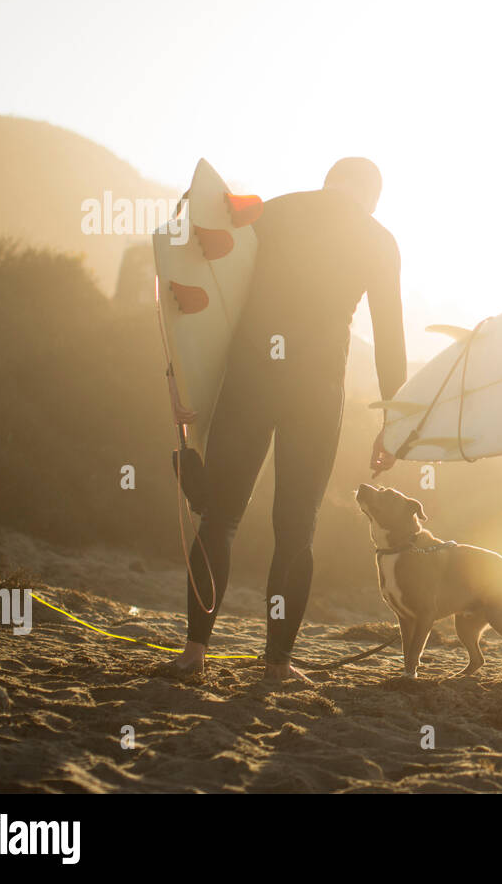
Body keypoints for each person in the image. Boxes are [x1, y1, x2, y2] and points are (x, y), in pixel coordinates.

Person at [166, 157, 406, 681]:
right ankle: (276, 668)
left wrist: (184, 379)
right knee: (296, 532)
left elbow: (206, 282)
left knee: (220, 519)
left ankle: (192, 654)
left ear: (329, 181)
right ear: (372, 196)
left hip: (251, 377)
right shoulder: (378, 240)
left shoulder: (276, 211)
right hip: (315, 394)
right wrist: (396, 424)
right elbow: (390, 342)